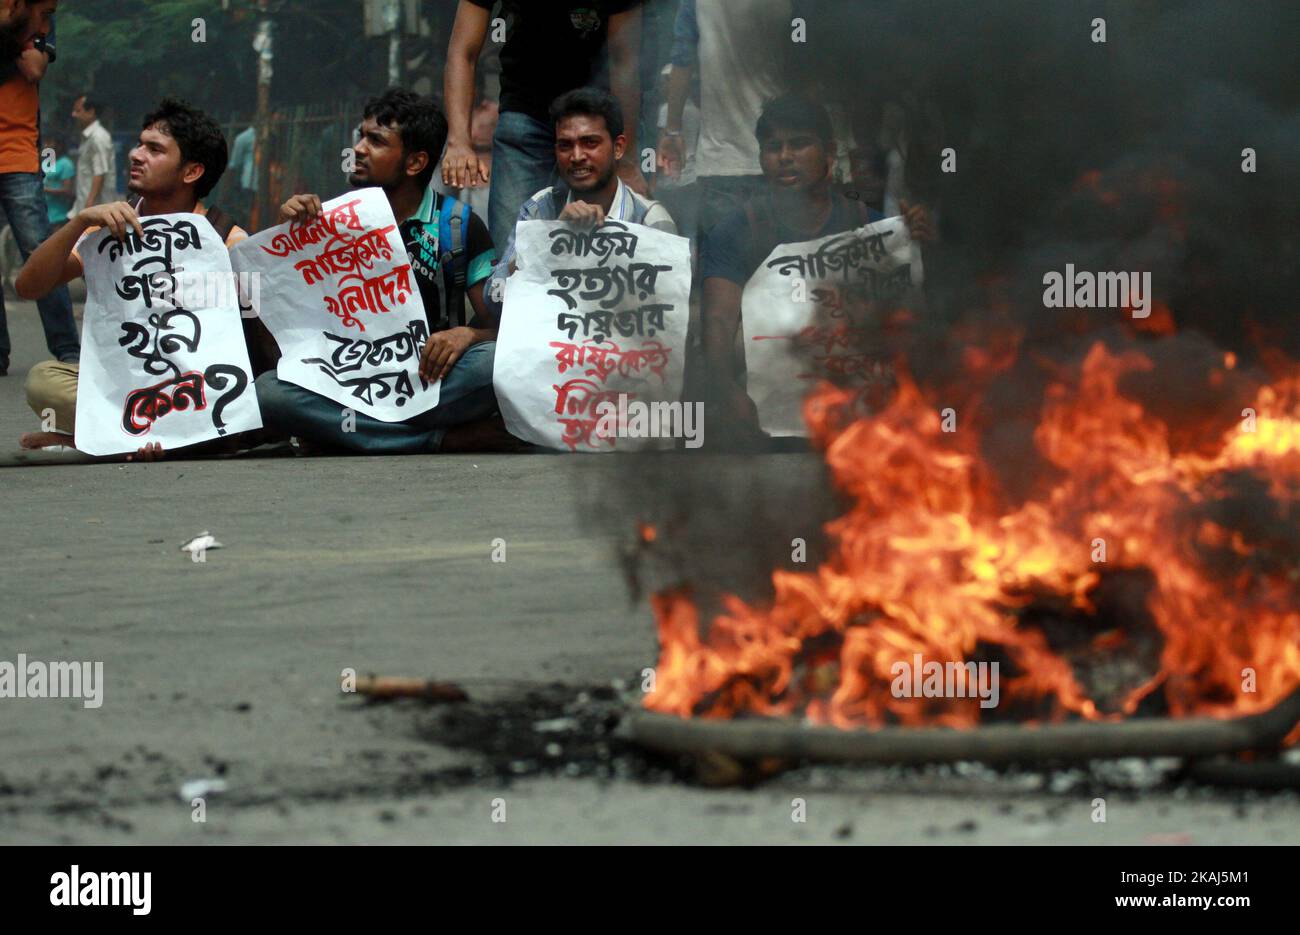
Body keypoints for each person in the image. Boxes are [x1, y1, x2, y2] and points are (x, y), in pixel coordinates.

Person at [254, 88, 518, 455]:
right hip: (347, 382)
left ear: (414, 163)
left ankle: (346, 433)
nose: (358, 149)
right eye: (360, 136)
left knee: (495, 363)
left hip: (430, 381)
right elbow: (284, 320)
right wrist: (285, 234)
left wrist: (467, 336)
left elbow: (506, 329)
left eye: (376, 141)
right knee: (267, 392)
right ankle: (437, 439)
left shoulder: (455, 224)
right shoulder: (326, 221)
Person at [16, 98, 248, 459]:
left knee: (266, 393)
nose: (136, 155)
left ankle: (114, 436)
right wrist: (78, 223)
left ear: (191, 172)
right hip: (127, 386)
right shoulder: (107, 228)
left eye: (154, 149)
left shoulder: (225, 239)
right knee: (43, 380)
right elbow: (29, 286)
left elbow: (257, 330)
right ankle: (151, 436)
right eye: (140, 144)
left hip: (203, 389)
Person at [699, 93, 932, 446]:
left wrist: (921, 248)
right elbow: (717, 320)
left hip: (855, 407)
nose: (785, 157)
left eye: (799, 144)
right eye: (773, 147)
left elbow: (908, 323)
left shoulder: (869, 229)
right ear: (762, 157)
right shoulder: (736, 231)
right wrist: (723, 390)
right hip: (770, 408)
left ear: (830, 152)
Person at [441, 0, 648, 255]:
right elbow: (463, 51)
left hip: (593, 123)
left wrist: (626, 158)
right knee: (512, 256)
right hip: (525, 113)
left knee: (606, 250)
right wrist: (459, 141)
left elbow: (624, 59)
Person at [487, 87, 676, 318]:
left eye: (590, 143)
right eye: (565, 145)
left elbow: (669, 318)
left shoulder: (651, 220)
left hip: (620, 352)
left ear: (618, 148)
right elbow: (494, 299)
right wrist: (551, 238)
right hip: (547, 350)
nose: (576, 156)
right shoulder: (541, 208)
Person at [658, 0, 791, 240]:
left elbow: (682, 59)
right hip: (780, 157)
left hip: (721, 162)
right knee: (781, 266)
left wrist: (673, 131)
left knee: (725, 265)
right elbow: (806, 57)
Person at [0, 0, 78, 376]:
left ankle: (68, 350)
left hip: (17, 155)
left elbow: (34, 68)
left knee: (40, 251)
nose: (50, 15)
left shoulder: (41, 16)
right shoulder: (28, 22)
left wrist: (12, 29)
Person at [69, 93, 117, 217]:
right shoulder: (88, 137)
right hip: (84, 207)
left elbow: (100, 172)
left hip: (96, 210)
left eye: (78, 111)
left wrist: (89, 205)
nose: (73, 115)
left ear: (91, 112)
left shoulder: (98, 137)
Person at [42, 130, 74, 227]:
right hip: (43, 214)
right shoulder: (46, 162)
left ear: (59, 145)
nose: (46, 146)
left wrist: (45, 190)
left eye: (49, 142)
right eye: (45, 142)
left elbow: (67, 190)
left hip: (58, 215)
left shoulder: (66, 163)